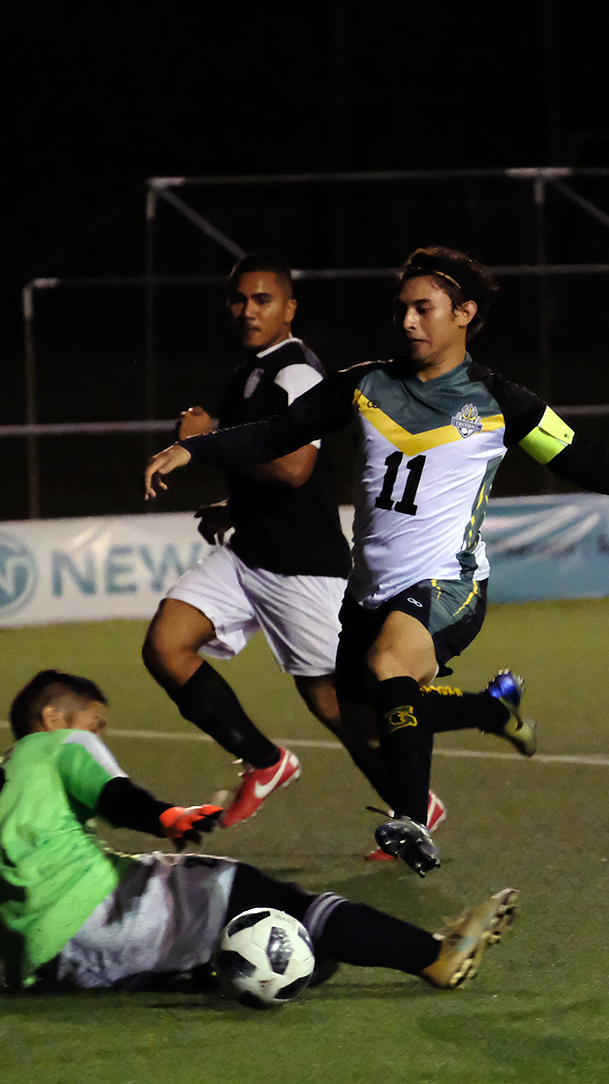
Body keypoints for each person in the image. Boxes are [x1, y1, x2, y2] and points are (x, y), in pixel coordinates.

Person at [143, 246, 609, 875]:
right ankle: (491, 709)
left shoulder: (502, 402)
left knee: (389, 668)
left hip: (448, 585)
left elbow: (593, 462)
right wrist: (196, 451)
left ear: (465, 313)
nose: (408, 321)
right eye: (402, 308)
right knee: (370, 720)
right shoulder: (363, 384)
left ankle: (409, 818)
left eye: (423, 308)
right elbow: (277, 433)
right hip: (368, 591)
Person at [0, 670, 519, 994]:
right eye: (95, 721)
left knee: (206, 910)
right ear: (52, 716)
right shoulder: (54, 747)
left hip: (51, 969)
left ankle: (216, 968)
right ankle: (429, 953)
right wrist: (166, 817)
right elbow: (115, 793)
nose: (98, 733)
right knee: (256, 889)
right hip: (102, 917)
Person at [141, 253, 376, 831]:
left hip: (302, 565)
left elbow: (295, 467)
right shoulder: (250, 371)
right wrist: (235, 506)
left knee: (332, 705)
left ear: (289, 308)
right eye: (239, 300)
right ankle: (265, 761)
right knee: (166, 645)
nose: (248, 311)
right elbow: (265, 464)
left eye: (262, 300)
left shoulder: (296, 372)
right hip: (250, 552)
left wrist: (209, 439)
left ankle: (414, 803)